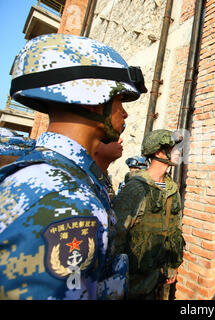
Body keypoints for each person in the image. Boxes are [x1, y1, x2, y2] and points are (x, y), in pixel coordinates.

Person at [0, 33, 147, 300]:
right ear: (92, 98)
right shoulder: (65, 198)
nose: (125, 113)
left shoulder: (59, 175)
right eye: (120, 101)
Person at [113, 129, 185, 300]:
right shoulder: (136, 189)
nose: (179, 151)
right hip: (133, 286)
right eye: (174, 147)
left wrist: (171, 268)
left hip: (158, 280)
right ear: (159, 151)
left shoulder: (172, 189)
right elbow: (116, 238)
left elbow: (174, 231)